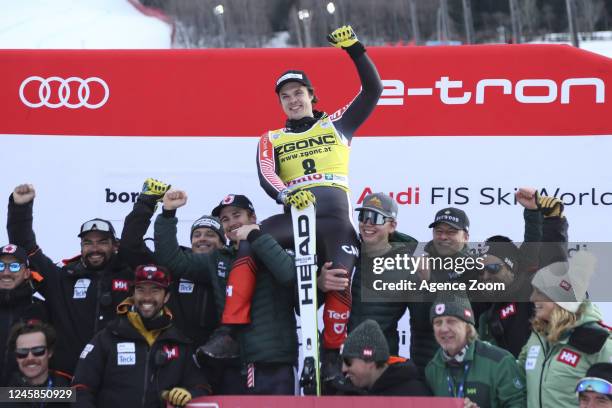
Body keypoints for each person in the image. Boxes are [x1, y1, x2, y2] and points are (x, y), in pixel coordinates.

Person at [212, 24, 383, 386]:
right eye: (285, 96)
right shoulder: (270, 138)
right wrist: (285, 195)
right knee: (249, 238)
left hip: (335, 221)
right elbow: (266, 174)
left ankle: (333, 355)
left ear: (311, 96)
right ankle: (229, 332)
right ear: (280, 103)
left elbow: (373, 90)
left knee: (339, 278)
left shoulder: (338, 124)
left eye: (299, 93)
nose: (293, 100)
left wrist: (355, 48)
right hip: (295, 217)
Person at [154, 190, 298, 395]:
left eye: (237, 215)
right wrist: (168, 214)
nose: (231, 223)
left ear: (253, 217)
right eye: (225, 219)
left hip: (273, 365)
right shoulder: (220, 259)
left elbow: (289, 276)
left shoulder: (277, 247)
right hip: (232, 366)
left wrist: (255, 236)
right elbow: (173, 261)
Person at [7, 184, 134, 375]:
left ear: (115, 245)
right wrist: (20, 208)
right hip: (68, 381)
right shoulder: (62, 279)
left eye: (102, 242)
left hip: (116, 380)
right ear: (81, 247)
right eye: (88, 243)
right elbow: (27, 249)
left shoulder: (133, 277)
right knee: (13, 397)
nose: (95, 248)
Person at [72, 264, 209, 407]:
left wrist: (190, 394)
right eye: (141, 290)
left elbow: (202, 387)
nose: (147, 297)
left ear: (166, 296)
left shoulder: (180, 343)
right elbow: (80, 388)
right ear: (133, 294)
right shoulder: (107, 337)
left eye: (155, 290)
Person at [119, 178, 220, 347]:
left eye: (210, 234)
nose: (202, 239)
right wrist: (146, 201)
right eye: (197, 235)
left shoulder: (231, 267)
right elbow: (130, 246)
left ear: (223, 243)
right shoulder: (169, 267)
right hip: (171, 356)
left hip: (215, 359)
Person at [345, 192, 436, 374]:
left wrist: (427, 282)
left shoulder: (409, 264)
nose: (367, 223)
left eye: (376, 218)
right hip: (338, 359)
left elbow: (423, 323)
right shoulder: (346, 251)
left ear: (392, 225)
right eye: (363, 216)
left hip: (379, 364)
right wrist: (320, 282)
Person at [477, 188, 567, 358]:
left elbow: (552, 264)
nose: (486, 276)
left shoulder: (530, 293)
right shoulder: (484, 305)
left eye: (493, 269)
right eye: (481, 271)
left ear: (511, 268)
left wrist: (552, 219)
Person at [520, 251, 612, 408]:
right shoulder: (538, 337)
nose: (532, 298)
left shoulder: (598, 341)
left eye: (540, 292)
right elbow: (518, 378)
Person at [426, 294, 526, 408]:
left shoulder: (500, 362)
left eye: (451, 321)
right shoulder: (432, 368)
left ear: (468, 326)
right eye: (438, 322)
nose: (443, 329)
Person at [337, 319, 431, 396]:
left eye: (348, 362)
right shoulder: (349, 392)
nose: (343, 369)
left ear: (369, 361)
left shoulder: (414, 396)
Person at [0, 243, 47, 385]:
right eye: (1, 266)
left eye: (14, 266)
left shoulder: (41, 310)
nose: (6, 272)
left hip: (24, 397)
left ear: (27, 273)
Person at [5, 320, 71, 407]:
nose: (30, 358)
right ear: (16, 356)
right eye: (22, 352)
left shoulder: (67, 390)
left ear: (50, 352)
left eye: (38, 351)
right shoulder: (6, 397)